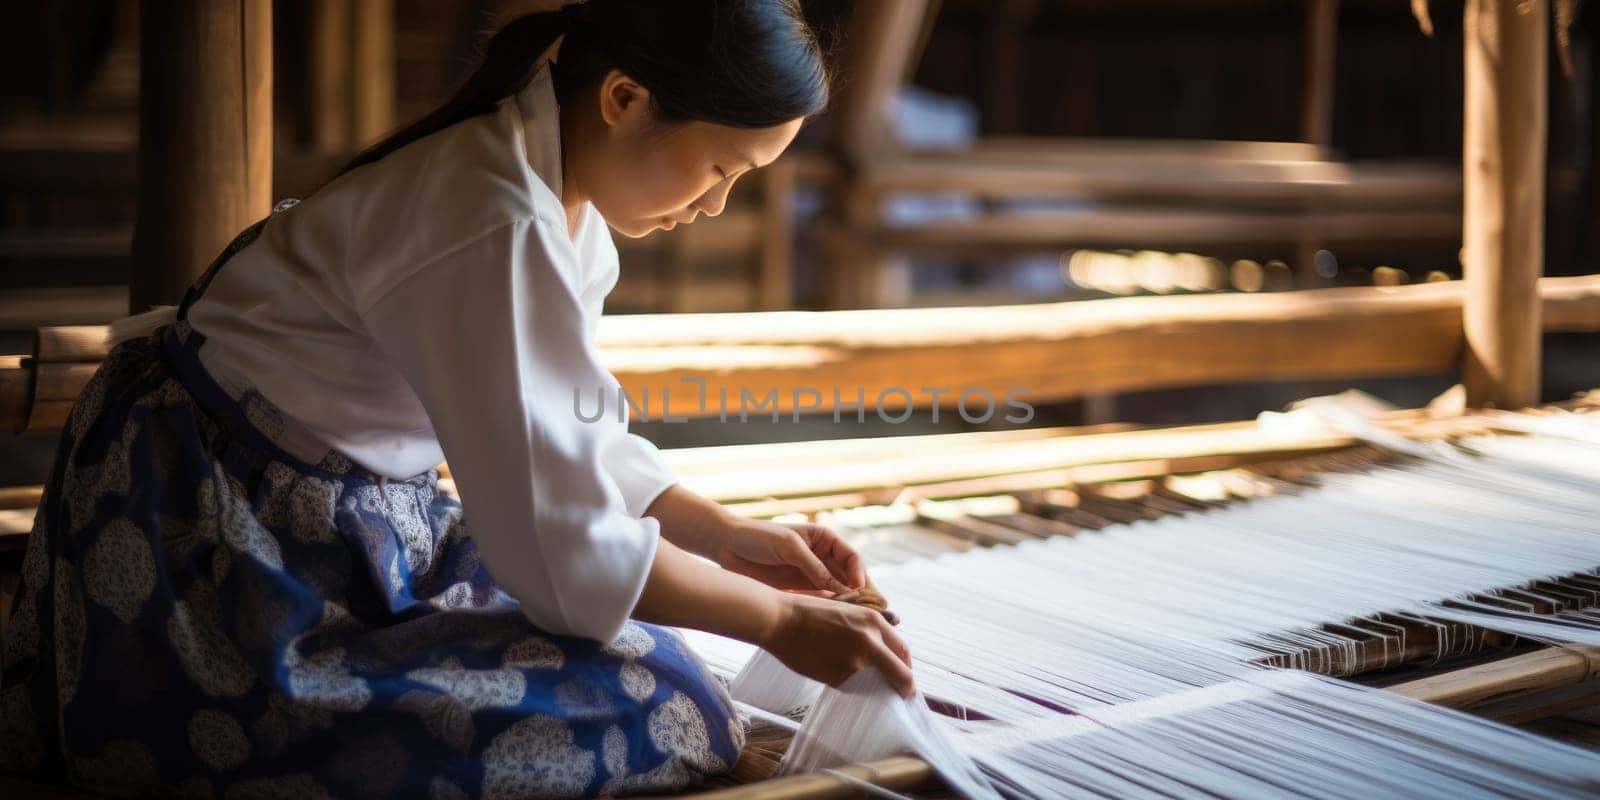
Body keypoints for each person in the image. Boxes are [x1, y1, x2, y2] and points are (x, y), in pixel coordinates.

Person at [0, 2, 914, 797]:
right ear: (625, 97)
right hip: (216, 539)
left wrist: (723, 536)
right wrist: (783, 620)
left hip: (333, 511)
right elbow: (561, 549)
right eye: (721, 169)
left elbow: (568, 428)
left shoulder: (559, 203)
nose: (717, 205)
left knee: (664, 663)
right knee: (665, 710)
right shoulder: (497, 215)